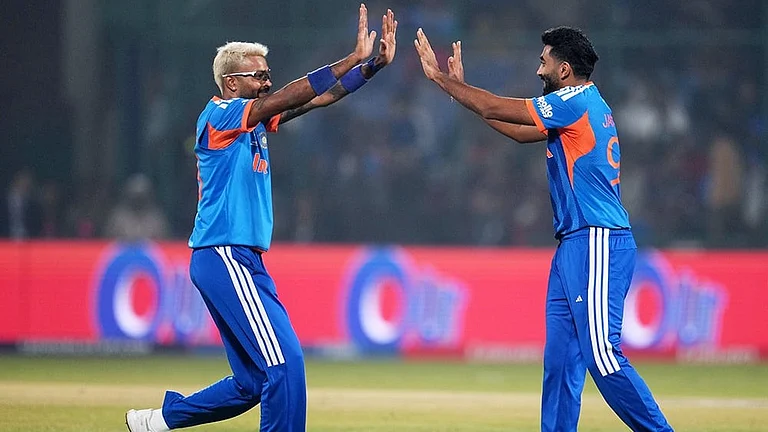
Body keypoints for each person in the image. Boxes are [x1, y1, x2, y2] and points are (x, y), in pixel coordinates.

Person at [125, 5, 397, 432]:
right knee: (284, 364)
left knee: (252, 381)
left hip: (240, 259)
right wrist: (349, 58)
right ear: (231, 82)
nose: (267, 81)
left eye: (268, 74)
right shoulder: (219, 115)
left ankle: (159, 421)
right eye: (259, 76)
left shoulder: (252, 121)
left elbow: (319, 97)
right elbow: (289, 94)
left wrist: (372, 66)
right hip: (225, 254)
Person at [414, 26, 673, 431]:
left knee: (603, 357)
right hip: (574, 244)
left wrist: (443, 81)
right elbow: (519, 131)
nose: (538, 70)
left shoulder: (574, 100)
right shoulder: (581, 104)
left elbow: (497, 107)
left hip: (596, 239)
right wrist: (463, 94)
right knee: (561, 362)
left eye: (544, 62)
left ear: (564, 69)